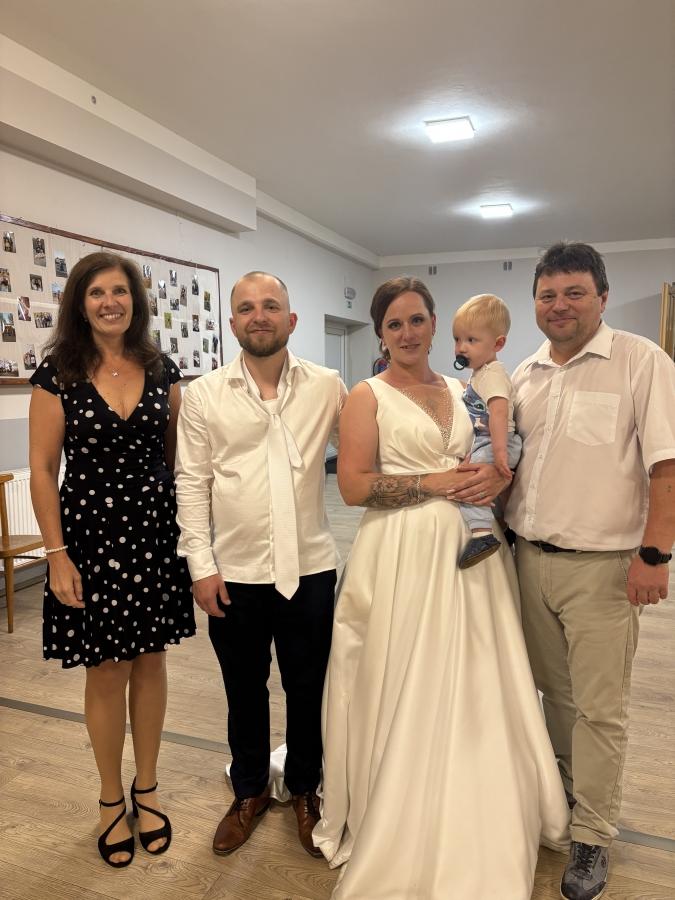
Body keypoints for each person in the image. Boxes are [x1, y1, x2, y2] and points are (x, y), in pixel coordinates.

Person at [314, 275, 570, 899]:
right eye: (394, 324)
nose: (407, 333)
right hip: (399, 553)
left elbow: (495, 456)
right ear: (381, 334)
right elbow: (352, 486)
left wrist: (494, 480)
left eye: (417, 320)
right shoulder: (367, 396)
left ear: (435, 325)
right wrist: (431, 483)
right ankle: (395, 802)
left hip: (473, 554)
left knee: (480, 673)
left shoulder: (465, 388)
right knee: (401, 669)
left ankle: (485, 796)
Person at [506, 241, 675, 900]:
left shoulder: (641, 361)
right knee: (555, 698)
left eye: (574, 292)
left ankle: (594, 835)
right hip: (529, 561)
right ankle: (568, 799)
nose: (559, 305)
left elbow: (666, 466)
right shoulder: (522, 375)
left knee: (600, 709)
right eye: (547, 295)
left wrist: (655, 554)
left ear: (602, 297)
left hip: (605, 569)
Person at [29, 251, 196, 868]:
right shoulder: (58, 374)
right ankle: (108, 798)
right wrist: (56, 554)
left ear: (135, 301)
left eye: (119, 291)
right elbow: (43, 470)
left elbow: (178, 462)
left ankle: (146, 789)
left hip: (154, 536)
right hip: (90, 543)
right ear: (80, 303)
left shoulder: (161, 369)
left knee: (150, 662)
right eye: (97, 292)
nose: (109, 302)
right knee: (106, 669)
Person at [174, 271, 346, 858]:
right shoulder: (204, 395)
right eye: (246, 308)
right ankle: (248, 790)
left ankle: (305, 788)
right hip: (234, 574)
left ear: (291, 319)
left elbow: (370, 451)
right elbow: (191, 482)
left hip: (311, 569)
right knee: (243, 689)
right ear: (232, 323)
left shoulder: (327, 386)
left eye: (271, 305)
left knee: (308, 687)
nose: (259, 316)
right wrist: (200, 566)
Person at [452, 293, 522, 568]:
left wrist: (499, 453)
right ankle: (504, 527)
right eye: (457, 339)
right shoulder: (480, 373)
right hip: (488, 440)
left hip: (497, 440)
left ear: (498, 343)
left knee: (472, 485)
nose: (461, 347)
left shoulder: (492, 374)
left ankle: (482, 535)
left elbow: (499, 414)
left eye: (471, 340)